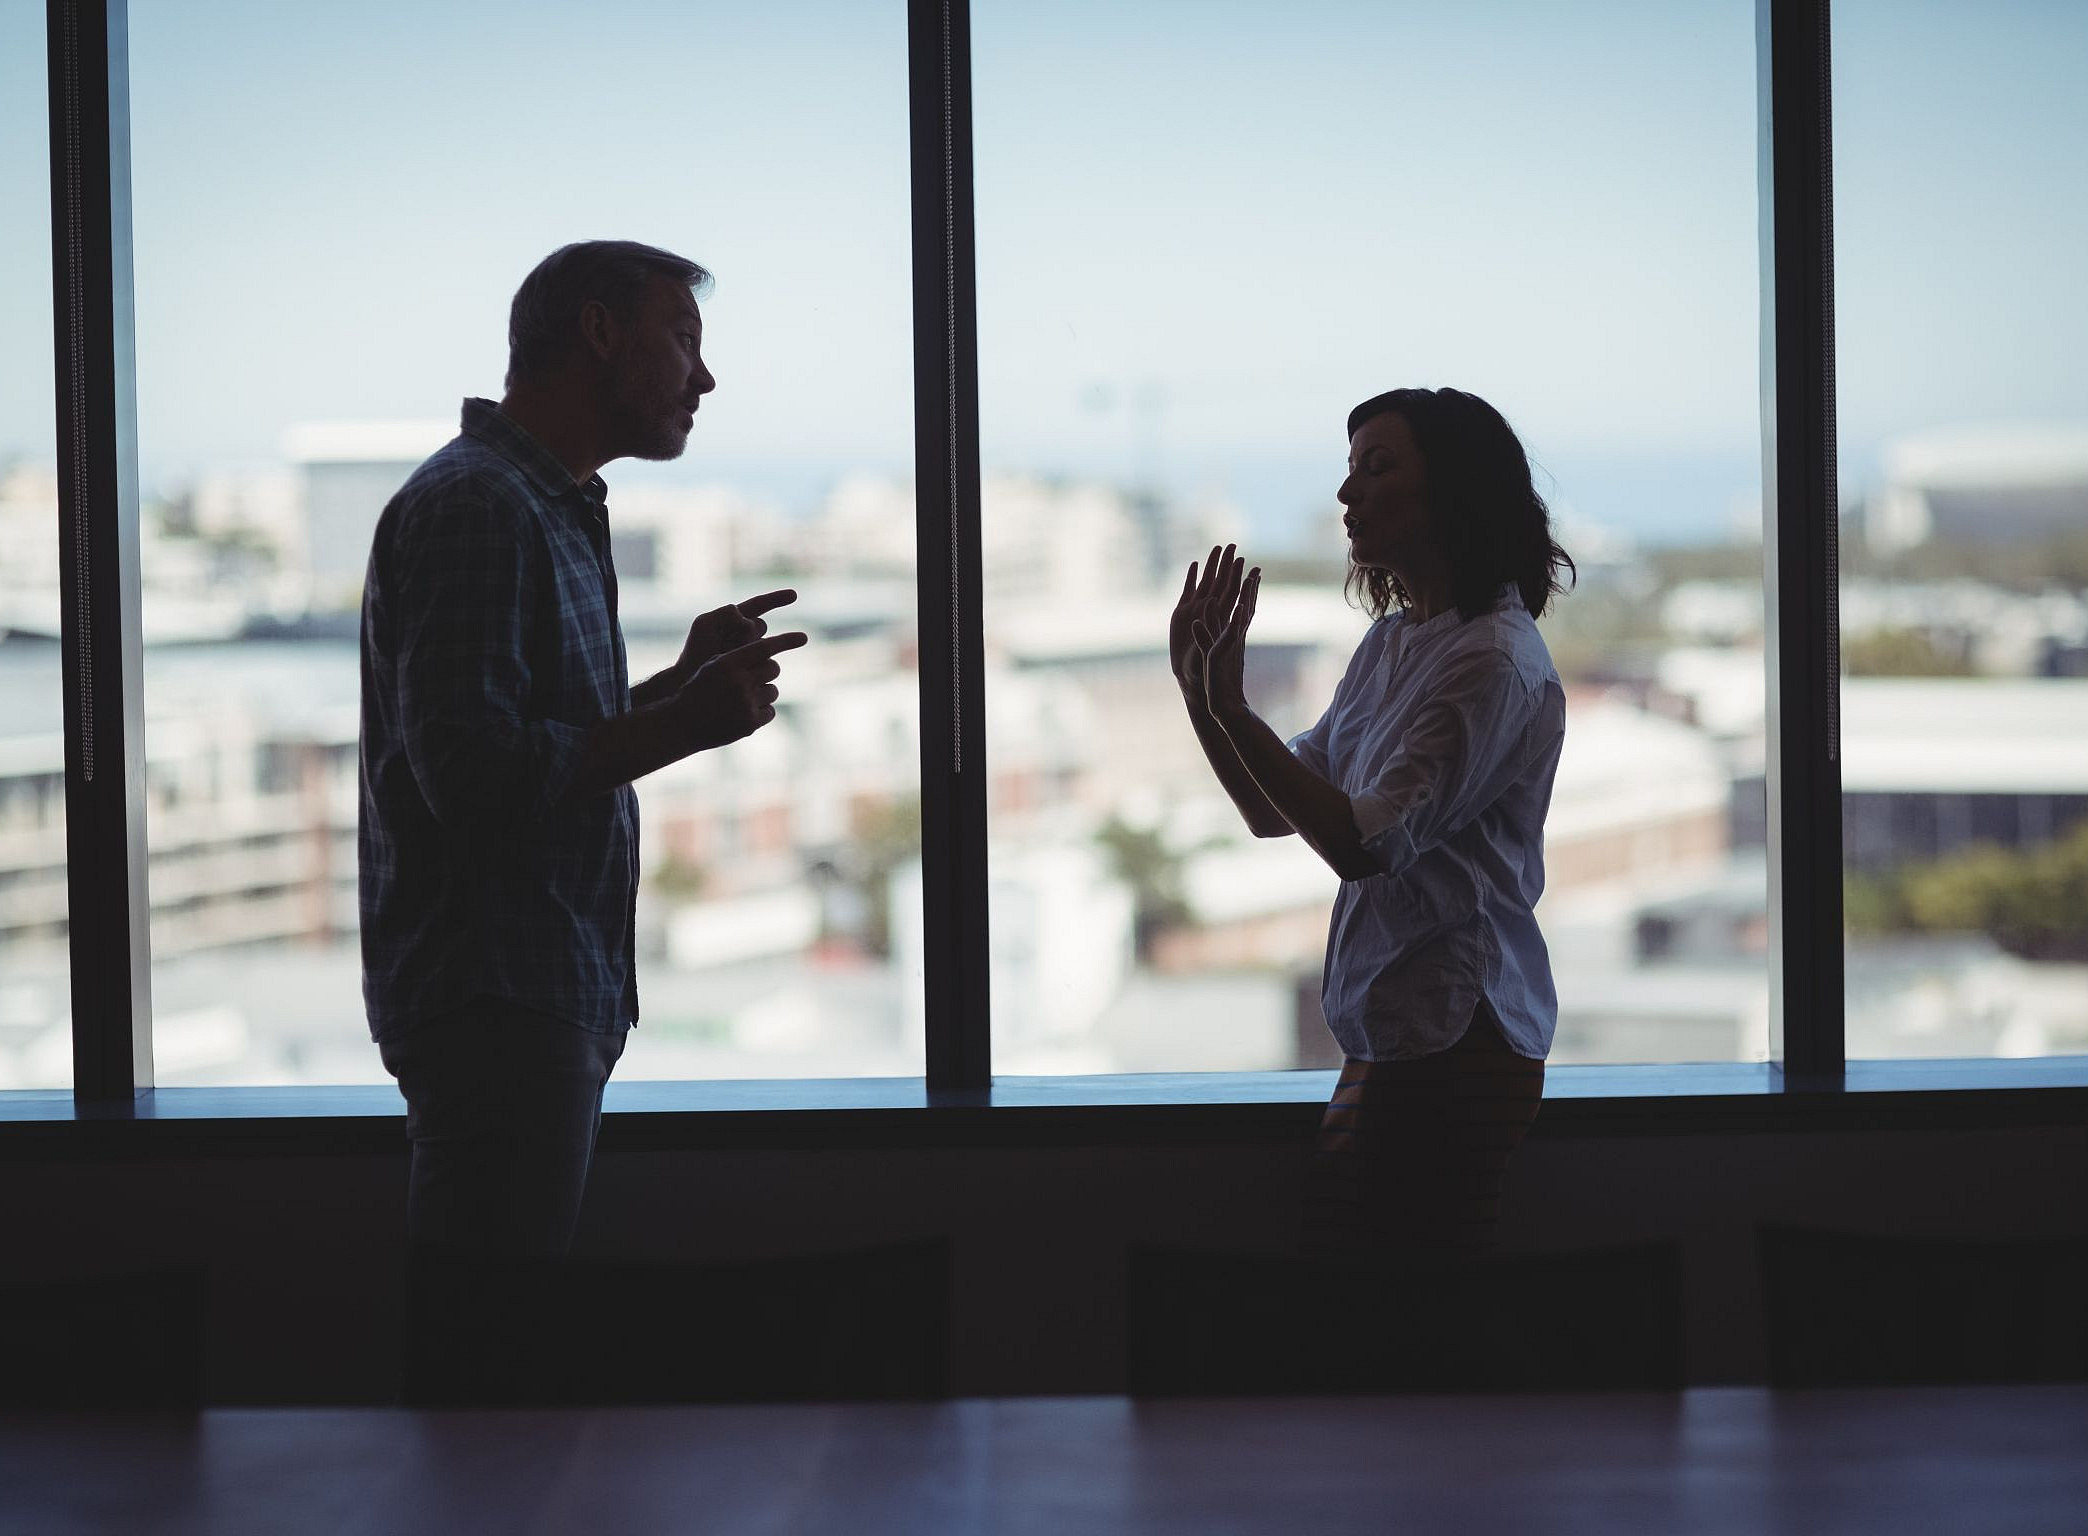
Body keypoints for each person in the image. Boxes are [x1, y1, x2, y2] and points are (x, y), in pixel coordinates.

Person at [358, 239, 806, 1396]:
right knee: (486, 1359)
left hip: (524, 990)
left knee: (496, 1340)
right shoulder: (480, 508)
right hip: (497, 993)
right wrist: (684, 725)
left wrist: (672, 689)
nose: (702, 381)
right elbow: (471, 778)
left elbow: (530, 739)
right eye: (684, 342)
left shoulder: (535, 505)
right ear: (599, 333)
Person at [1173, 386, 1572, 1263]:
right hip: (1405, 1034)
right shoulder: (1397, 643)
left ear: (1455, 490)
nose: (1348, 494)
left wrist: (1231, 708)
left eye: (1378, 469)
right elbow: (1272, 814)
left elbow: (1364, 844)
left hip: (1456, 1032)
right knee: (1385, 1301)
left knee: (1395, 1308)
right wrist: (1203, 700)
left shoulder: (1493, 661)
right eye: (1351, 471)